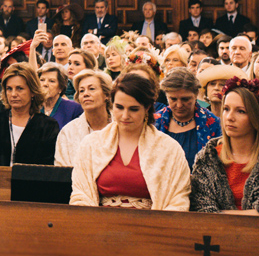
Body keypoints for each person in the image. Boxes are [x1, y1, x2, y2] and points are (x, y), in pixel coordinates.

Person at [69, 73, 190, 210]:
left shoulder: (169, 149)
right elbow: (81, 194)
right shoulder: (91, 144)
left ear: (147, 108)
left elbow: (178, 200)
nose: (125, 116)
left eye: (134, 109)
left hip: (152, 227)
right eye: (119, 107)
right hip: (99, 226)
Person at [190, 78, 259, 216]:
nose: (229, 117)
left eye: (240, 111)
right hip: (214, 234)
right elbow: (201, 209)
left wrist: (219, 215)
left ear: (256, 117)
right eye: (226, 109)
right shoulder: (208, 157)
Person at [154, 68, 221, 168]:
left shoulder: (213, 124)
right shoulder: (154, 123)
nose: (179, 105)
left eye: (185, 99)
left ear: (196, 95)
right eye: (173, 99)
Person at [54, 69, 112, 166]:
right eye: (81, 91)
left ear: (106, 94)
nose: (86, 94)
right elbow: (61, 171)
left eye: (92, 89)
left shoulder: (121, 127)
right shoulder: (68, 132)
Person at [36, 61, 82, 128]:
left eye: (51, 81)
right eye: (42, 80)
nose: (45, 84)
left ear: (61, 87)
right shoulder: (32, 107)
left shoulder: (74, 109)